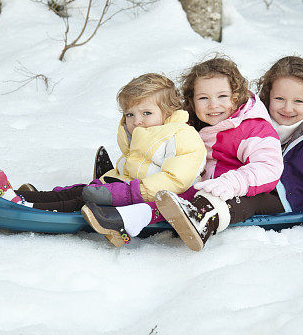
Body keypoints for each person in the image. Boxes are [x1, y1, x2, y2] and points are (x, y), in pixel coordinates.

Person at [0, 73, 206, 243]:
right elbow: (127, 170)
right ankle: (12, 195)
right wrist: (104, 183)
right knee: (73, 192)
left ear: (169, 112)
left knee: (79, 201)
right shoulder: (140, 136)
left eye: (146, 113)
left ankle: (24, 205)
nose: (137, 121)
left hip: (145, 199)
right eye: (130, 114)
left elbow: (176, 180)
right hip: (123, 187)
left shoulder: (183, 136)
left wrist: (127, 193)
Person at [157, 56, 303, 250]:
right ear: (267, 96)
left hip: (295, 198)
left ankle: (203, 217)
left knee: (245, 200)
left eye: (298, 101)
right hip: (260, 183)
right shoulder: (259, 121)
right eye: (279, 99)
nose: (287, 108)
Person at [119, 56, 286, 251]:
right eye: (203, 98)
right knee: (174, 187)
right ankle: (133, 209)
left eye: (222, 96)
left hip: (252, 194)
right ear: (192, 100)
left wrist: (231, 183)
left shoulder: (252, 128)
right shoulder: (190, 125)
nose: (213, 105)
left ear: (237, 95)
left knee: (223, 200)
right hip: (199, 188)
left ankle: (199, 221)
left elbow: (269, 167)